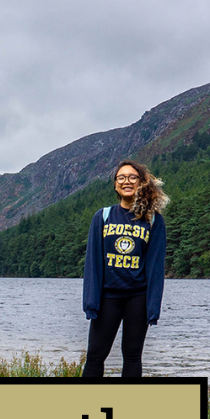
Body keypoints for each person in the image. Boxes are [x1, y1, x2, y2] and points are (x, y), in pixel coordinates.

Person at [80, 160, 167, 381]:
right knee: (95, 356)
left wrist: (153, 307)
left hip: (137, 298)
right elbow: (93, 262)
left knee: (132, 356)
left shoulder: (153, 219)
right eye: (121, 177)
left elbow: (156, 266)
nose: (126, 181)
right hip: (107, 297)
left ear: (141, 182)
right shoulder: (103, 216)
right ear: (115, 185)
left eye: (132, 177)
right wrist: (91, 302)